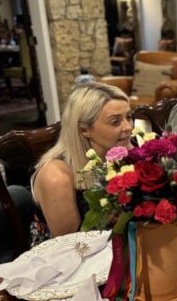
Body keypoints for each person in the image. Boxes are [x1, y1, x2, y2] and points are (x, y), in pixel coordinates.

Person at [32, 83, 132, 242]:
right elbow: (71, 245)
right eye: (115, 122)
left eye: (129, 117)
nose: (128, 127)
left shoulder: (120, 152)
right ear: (84, 130)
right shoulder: (56, 177)